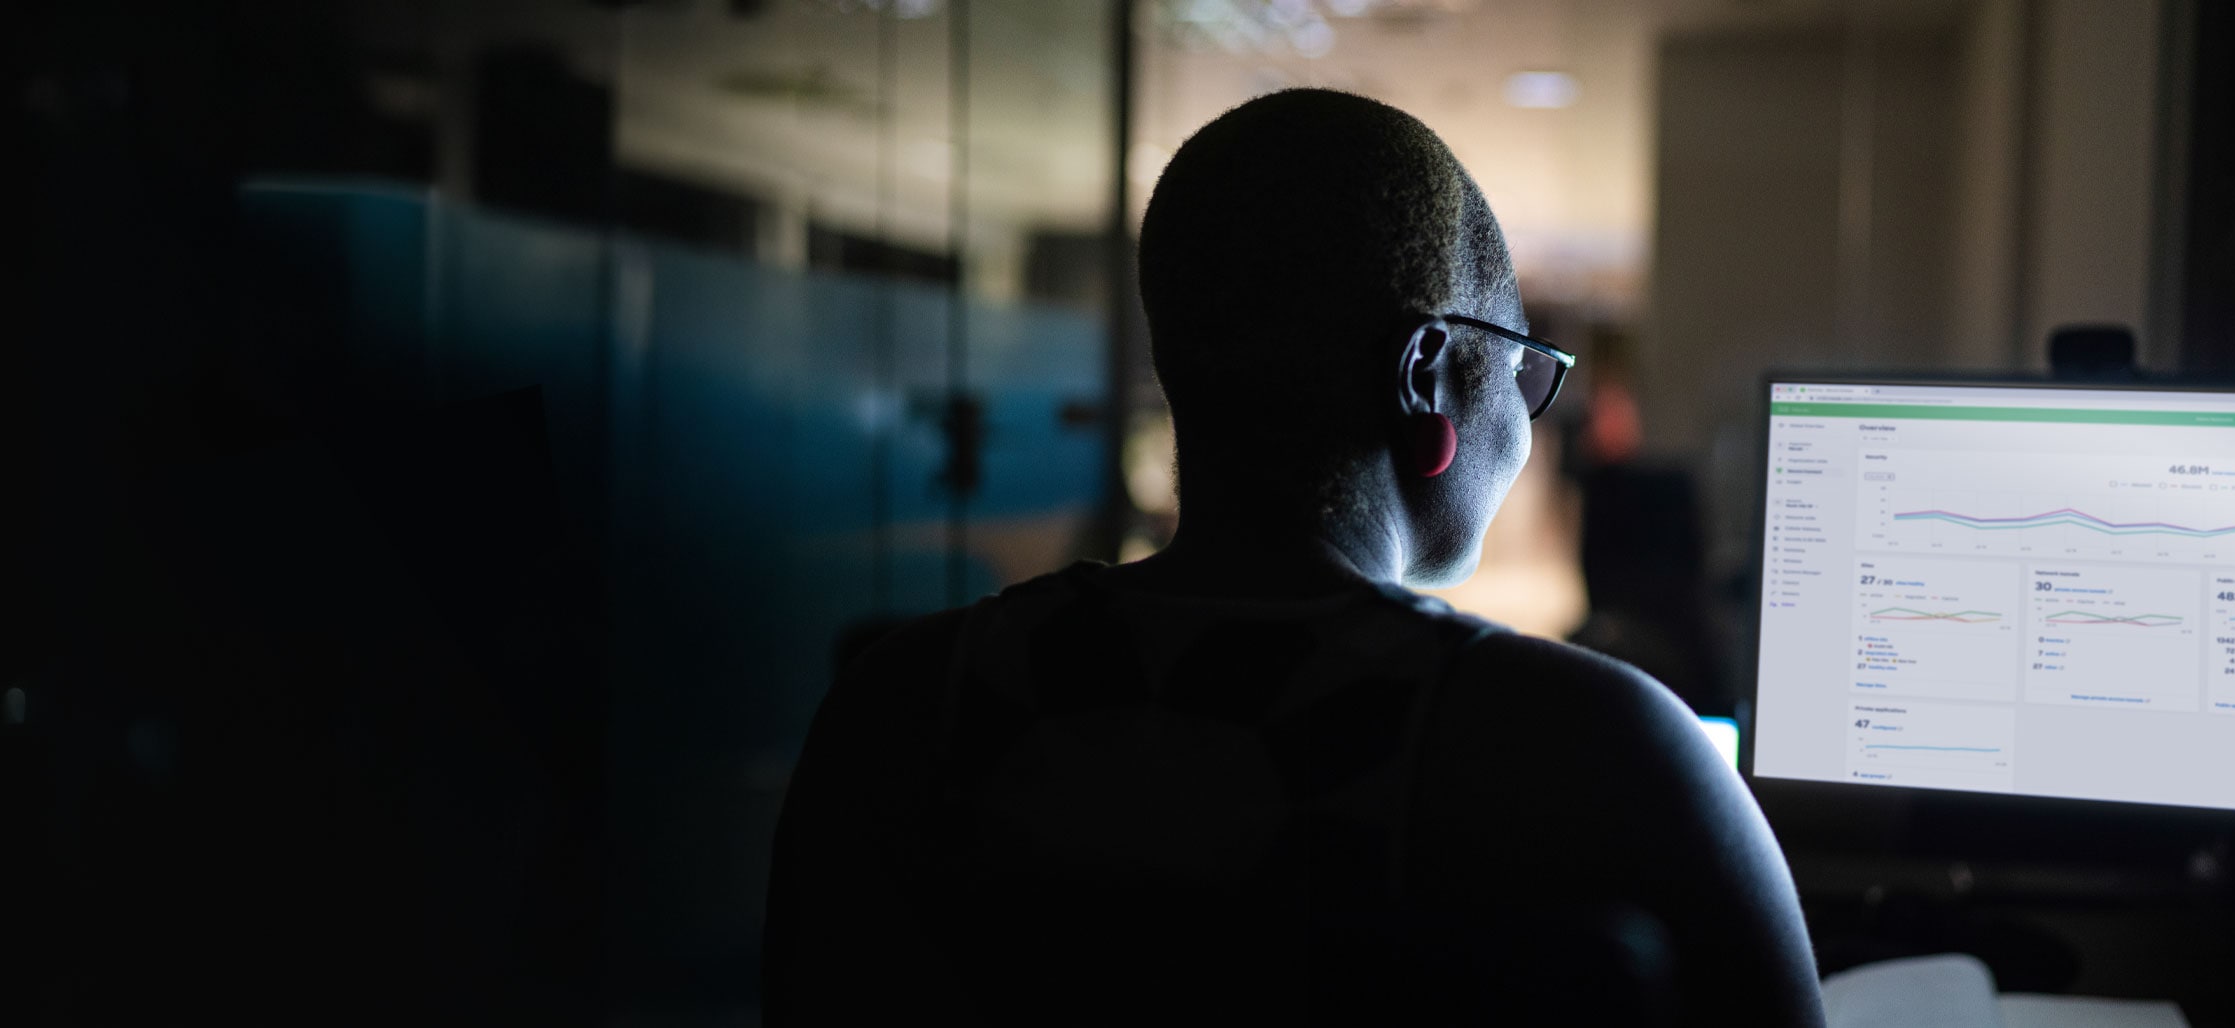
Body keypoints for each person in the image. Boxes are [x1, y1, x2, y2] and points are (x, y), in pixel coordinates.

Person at [763, 89, 1823, 1025]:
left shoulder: (897, 706)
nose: (1529, 421)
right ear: (1427, 376)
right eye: (1521, 370)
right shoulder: (1603, 748)